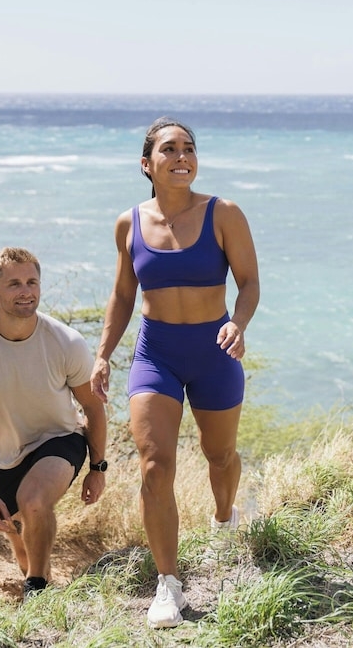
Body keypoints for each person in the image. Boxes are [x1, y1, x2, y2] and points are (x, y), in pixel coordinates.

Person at [90, 117, 260, 628]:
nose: (182, 155)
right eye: (169, 149)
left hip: (214, 350)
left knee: (220, 454)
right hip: (156, 353)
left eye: (189, 148)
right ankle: (169, 586)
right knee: (154, 466)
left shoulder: (223, 213)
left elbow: (249, 282)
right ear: (148, 164)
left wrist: (238, 322)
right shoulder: (128, 223)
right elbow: (122, 296)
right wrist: (102, 354)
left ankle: (225, 517)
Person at [0, 247, 108, 599]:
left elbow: (93, 408)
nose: (26, 291)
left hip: (61, 439)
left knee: (34, 500)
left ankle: (37, 590)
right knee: (24, 551)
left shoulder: (66, 341)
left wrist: (98, 467)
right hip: (6, 458)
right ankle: (42, 581)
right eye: (15, 284)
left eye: (32, 282)